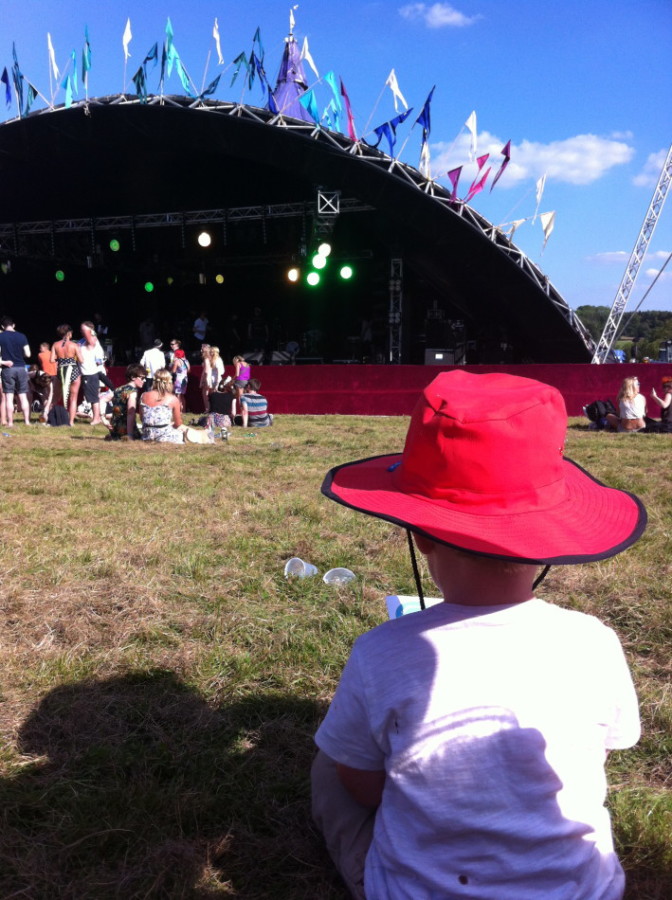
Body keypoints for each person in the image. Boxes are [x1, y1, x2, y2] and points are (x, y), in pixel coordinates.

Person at [312, 370, 646, 900]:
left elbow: (363, 786)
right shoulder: (595, 641)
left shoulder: (380, 652)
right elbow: (603, 750)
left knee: (330, 767)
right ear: (547, 537)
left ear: (420, 535)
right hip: (581, 890)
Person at [139, 368, 214, 444]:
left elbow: (142, 419)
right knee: (183, 429)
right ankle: (204, 436)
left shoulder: (143, 396)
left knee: (174, 426)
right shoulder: (172, 399)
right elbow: (178, 423)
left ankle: (204, 433)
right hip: (164, 437)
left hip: (147, 435)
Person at [0, 315, 32, 426]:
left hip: (8, 369)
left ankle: (10, 423)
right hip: (21, 368)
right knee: (23, 395)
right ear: (13, 325)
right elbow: (28, 354)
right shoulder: (22, 336)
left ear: (2, 326)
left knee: (9, 396)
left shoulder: (1, 337)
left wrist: (4, 362)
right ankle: (27, 421)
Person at [51, 324, 81, 426]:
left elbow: (52, 360)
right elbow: (81, 360)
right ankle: (71, 422)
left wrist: (61, 360)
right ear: (68, 333)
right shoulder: (74, 345)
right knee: (73, 398)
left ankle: (51, 418)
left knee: (55, 397)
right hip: (73, 370)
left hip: (61, 370)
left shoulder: (55, 344)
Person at [106, 364, 146, 440]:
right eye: (142, 378)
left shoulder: (118, 389)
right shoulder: (132, 392)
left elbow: (102, 400)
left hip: (114, 430)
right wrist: (130, 435)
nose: (144, 380)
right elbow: (130, 412)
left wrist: (103, 419)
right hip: (125, 430)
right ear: (133, 377)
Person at [76, 321, 105, 425]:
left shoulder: (93, 340)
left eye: (83, 329)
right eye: (81, 329)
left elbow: (99, 361)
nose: (81, 331)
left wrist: (90, 331)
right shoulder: (81, 341)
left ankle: (96, 418)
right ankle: (97, 417)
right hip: (86, 373)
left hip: (92, 373)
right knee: (91, 396)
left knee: (94, 397)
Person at [37, 341, 57, 422]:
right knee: (53, 395)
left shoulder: (40, 355)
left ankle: (46, 411)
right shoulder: (54, 354)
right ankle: (50, 410)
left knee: (46, 394)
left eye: (41, 347)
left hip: (46, 376)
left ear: (45, 347)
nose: (39, 349)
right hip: (55, 375)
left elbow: (41, 363)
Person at [169, 339, 190, 413]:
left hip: (178, 379)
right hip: (185, 378)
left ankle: (177, 411)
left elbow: (173, 371)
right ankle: (183, 410)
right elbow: (189, 370)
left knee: (177, 395)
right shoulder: (186, 361)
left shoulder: (177, 361)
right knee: (182, 395)